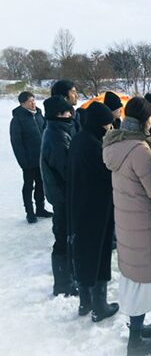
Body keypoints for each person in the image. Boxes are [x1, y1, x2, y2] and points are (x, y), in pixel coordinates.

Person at [103, 97, 151, 356]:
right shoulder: (139, 149)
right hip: (142, 223)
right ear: (144, 120)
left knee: (134, 277)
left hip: (128, 221)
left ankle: (139, 326)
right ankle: (135, 342)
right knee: (141, 282)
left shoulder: (119, 142)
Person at [68, 102, 119, 322]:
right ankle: (99, 306)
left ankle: (85, 302)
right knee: (99, 254)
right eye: (107, 125)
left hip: (79, 206)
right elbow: (107, 176)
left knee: (84, 254)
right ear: (99, 124)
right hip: (97, 209)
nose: (109, 129)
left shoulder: (80, 139)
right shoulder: (93, 145)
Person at [40, 96, 78, 297]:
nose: (70, 115)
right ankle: (63, 283)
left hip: (62, 194)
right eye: (66, 112)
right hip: (62, 196)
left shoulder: (59, 131)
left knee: (65, 235)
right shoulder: (56, 136)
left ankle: (68, 279)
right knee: (62, 237)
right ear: (57, 114)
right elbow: (66, 169)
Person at [10, 91, 52, 223]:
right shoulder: (17, 119)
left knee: (41, 184)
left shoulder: (39, 115)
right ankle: (30, 212)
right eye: (30, 101)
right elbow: (16, 143)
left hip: (41, 158)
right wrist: (23, 162)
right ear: (22, 104)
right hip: (28, 160)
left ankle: (40, 209)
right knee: (29, 185)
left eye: (34, 100)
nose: (33, 103)